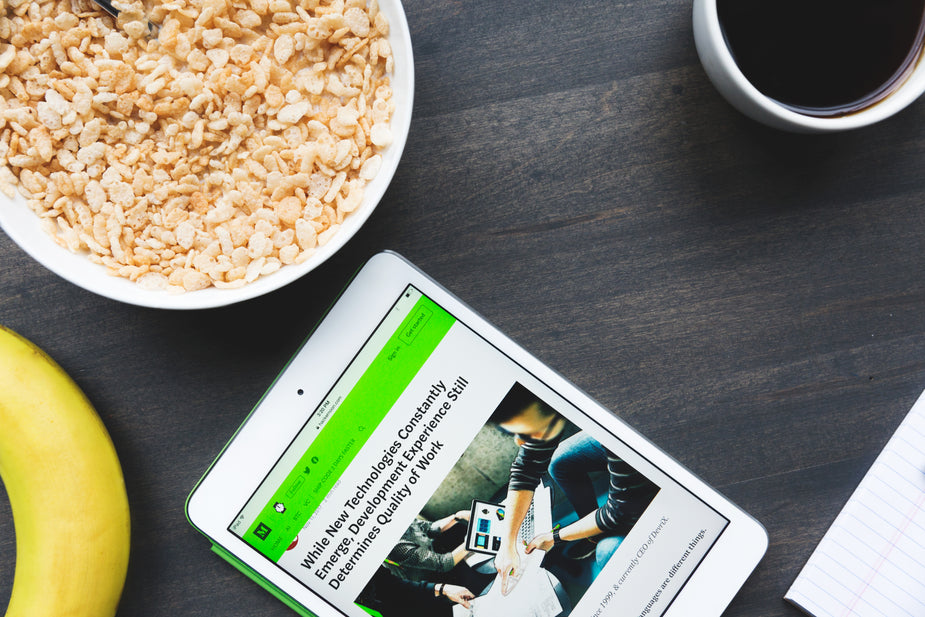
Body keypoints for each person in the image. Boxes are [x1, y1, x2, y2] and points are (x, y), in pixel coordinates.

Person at [488, 382, 659, 593]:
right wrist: (507, 544)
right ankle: (591, 533)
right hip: (622, 463)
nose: (519, 443)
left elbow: (619, 512)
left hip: (653, 464)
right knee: (560, 462)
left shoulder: (619, 425)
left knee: (607, 552)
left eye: (525, 433)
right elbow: (525, 469)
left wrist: (556, 537)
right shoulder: (546, 400)